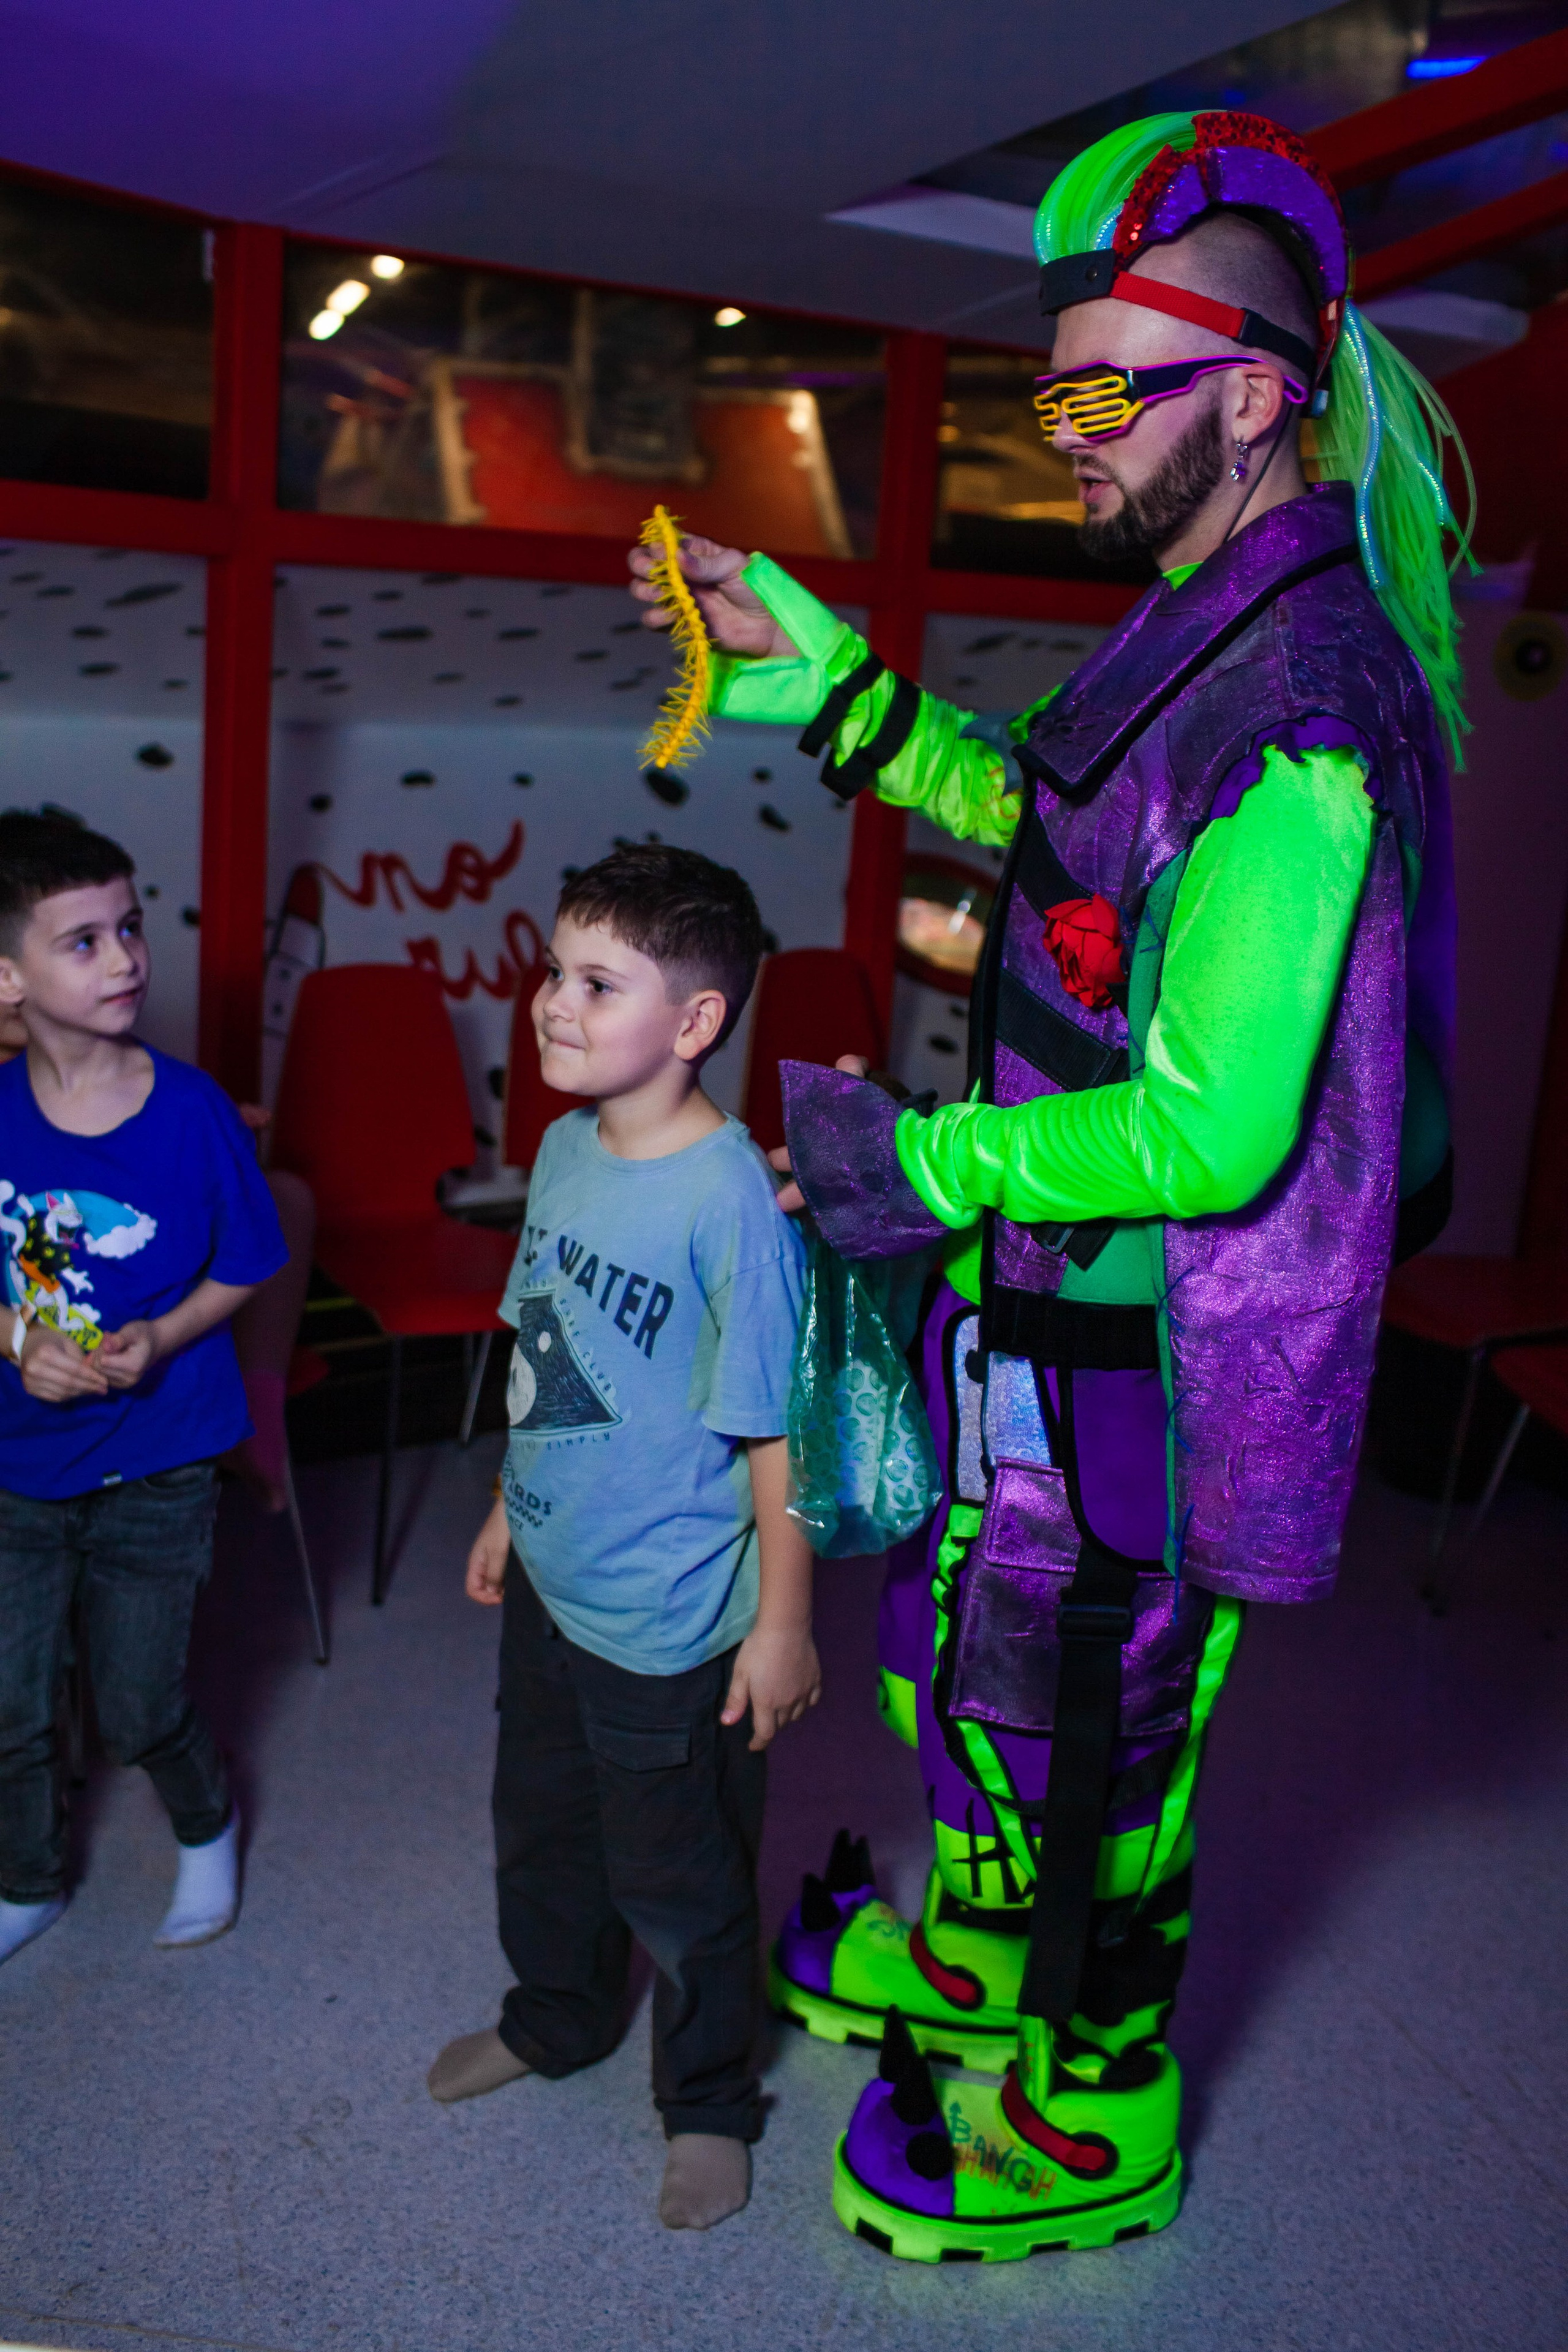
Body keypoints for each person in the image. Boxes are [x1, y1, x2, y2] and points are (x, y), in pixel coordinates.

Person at [628, 111, 1464, 2258]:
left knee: (1102, 1735)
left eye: (1109, 390)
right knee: (1001, 1666)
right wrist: (840, 691)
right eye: (1053, 387)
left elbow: (1213, 1126)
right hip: (1071, 1308)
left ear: (1258, 398)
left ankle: (1092, 2112)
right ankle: (994, 1981)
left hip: (1168, 1353)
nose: (1064, 428)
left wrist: (914, 1161)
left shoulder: (1311, 696)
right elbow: (1064, 828)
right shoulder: (1201, 622)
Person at [428, 843, 816, 2234]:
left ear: (696, 1023)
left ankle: (709, 2099)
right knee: (538, 1832)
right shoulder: (560, 1147)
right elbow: (547, 1345)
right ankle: (556, 2020)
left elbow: (777, 1434)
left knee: (679, 1876)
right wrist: (498, 1510)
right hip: (549, 1580)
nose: (550, 1003)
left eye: (597, 981)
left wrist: (781, 1622)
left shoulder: (728, 1203)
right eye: (551, 970)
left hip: (667, 1622)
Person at [0, 810, 286, 1966]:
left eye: (129, 928)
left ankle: (208, 1832)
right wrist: (16, 1337)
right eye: (82, 941)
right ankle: (27, 1882)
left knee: (134, 1704)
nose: (122, 959)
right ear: (8, 974)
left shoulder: (193, 1111)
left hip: (161, 1464)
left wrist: (161, 1333)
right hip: (18, 1467)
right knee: (10, 1706)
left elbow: (248, 1262)